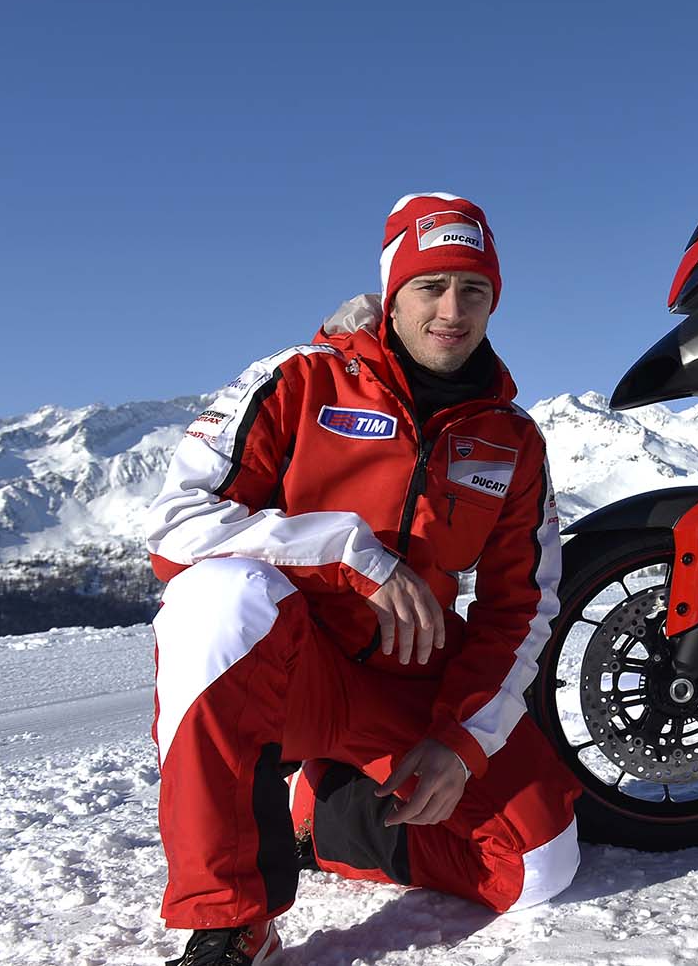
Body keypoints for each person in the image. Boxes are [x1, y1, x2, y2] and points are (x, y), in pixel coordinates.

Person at [146, 193, 582, 965]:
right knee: (214, 600)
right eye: (430, 286)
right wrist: (350, 554)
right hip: (291, 677)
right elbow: (175, 524)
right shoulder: (299, 381)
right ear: (393, 292)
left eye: (474, 289)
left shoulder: (510, 437)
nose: (452, 310)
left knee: (540, 864)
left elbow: (522, 604)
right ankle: (231, 918)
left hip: (411, 689)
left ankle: (327, 816)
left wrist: (460, 741)